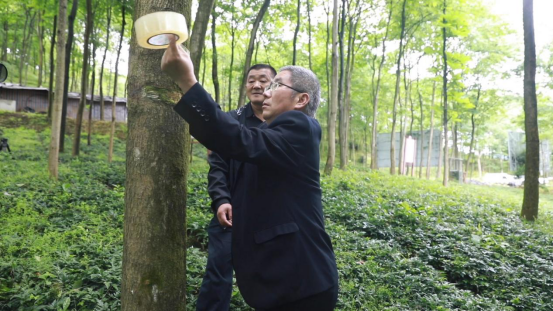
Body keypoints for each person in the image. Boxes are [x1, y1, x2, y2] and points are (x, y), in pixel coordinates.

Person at [162, 36, 338, 311]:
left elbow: (239, 140)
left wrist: (187, 81)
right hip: (279, 283)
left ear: (301, 99)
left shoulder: (301, 127)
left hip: (302, 285)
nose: (265, 91)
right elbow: (236, 143)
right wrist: (221, 194)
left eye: (275, 85)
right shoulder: (269, 134)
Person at [197, 64, 276, 311]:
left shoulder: (283, 122)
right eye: (251, 80)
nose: (256, 85)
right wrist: (221, 200)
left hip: (270, 215)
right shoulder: (231, 120)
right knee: (218, 269)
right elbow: (217, 166)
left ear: (274, 86)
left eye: (263, 80)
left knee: (272, 272)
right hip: (231, 211)